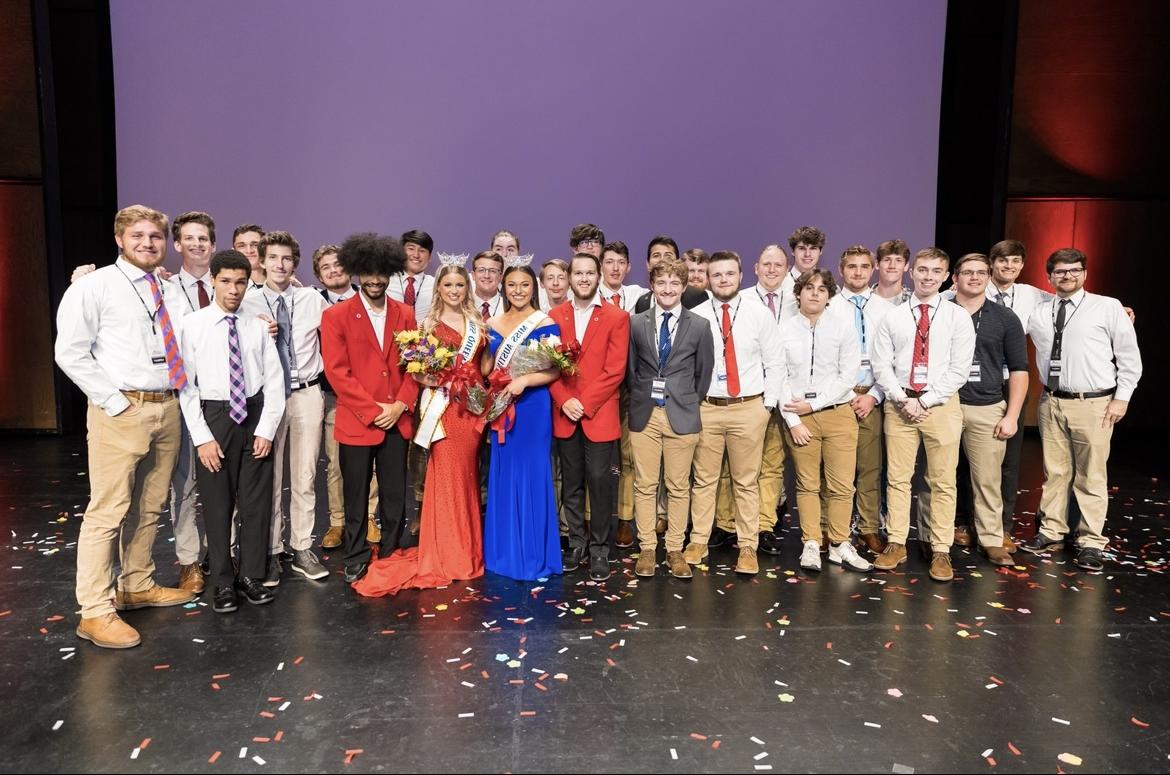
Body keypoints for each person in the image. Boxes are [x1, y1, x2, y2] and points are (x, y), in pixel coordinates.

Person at [54, 205, 196, 649]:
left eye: (155, 236)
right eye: (138, 235)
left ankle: (137, 585)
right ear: (119, 239)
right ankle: (94, 611)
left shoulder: (170, 289)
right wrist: (114, 404)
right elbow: (70, 352)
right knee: (108, 511)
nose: (148, 243)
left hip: (167, 405)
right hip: (122, 408)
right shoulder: (93, 287)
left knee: (150, 506)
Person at [354, 261, 487, 595]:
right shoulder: (425, 324)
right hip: (442, 410)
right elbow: (414, 371)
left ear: (466, 289)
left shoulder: (477, 324)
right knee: (444, 478)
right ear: (438, 289)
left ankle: (464, 549)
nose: (454, 291)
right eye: (448, 286)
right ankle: (445, 552)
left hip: (467, 411)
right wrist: (429, 377)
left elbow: (481, 368)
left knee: (467, 478)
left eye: (460, 286)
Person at [178, 250, 286, 613]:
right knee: (218, 504)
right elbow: (186, 386)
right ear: (213, 281)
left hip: (253, 413)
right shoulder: (193, 325)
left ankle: (251, 576)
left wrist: (267, 429)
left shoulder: (256, 325)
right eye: (226, 281)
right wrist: (203, 437)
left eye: (241, 282)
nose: (233, 289)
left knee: (256, 502)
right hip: (215, 416)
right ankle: (222, 580)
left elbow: (274, 380)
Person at [1021, 248, 1141, 571]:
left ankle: (1090, 541)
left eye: (1074, 270)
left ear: (1085, 274)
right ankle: (1051, 531)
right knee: (1055, 473)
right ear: (1049, 277)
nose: (1068, 276)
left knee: (1091, 475)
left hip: (1095, 403)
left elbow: (1130, 357)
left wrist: (1122, 398)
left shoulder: (1107, 307)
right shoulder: (1039, 311)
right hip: (1052, 400)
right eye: (1060, 271)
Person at [320, 233, 420, 584]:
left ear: (391, 272)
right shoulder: (336, 315)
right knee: (356, 493)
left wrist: (400, 405)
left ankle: (392, 552)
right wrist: (373, 409)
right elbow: (336, 371)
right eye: (368, 273)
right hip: (357, 421)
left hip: (396, 419)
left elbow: (416, 366)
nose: (375, 280)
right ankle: (357, 552)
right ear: (357, 272)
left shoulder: (405, 313)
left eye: (382, 273)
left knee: (395, 494)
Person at [872, 247, 976, 582]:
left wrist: (926, 401)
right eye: (922, 270)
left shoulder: (957, 317)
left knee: (942, 481)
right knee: (898, 479)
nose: (928, 276)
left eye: (935, 271)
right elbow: (881, 365)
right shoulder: (894, 316)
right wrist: (904, 400)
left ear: (946, 277)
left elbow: (959, 370)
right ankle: (896, 542)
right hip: (900, 404)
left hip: (941, 407)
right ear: (911, 272)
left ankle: (941, 548)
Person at [917, 253, 1027, 567]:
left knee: (987, 478)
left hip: (987, 406)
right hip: (942, 404)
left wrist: (1012, 415)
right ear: (955, 277)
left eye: (981, 272)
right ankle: (928, 536)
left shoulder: (1005, 318)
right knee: (934, 476)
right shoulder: (938, 312)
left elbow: (1019, 369)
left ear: (989, 277)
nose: (975, 278)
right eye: (968, 272)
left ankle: (991, 539)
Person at [239, 230, 330, 585]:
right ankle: (272, 549)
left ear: (295, 263)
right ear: (261, 260)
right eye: (273, 257)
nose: (280, 264)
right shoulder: (246, 302)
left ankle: (301, 546)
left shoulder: (311, 299)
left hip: (307, 393)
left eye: (287, 258)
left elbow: (336, 338)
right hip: (268, 397)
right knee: (270, 476)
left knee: (305, 475)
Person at [685, 250, 782, 575]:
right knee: (704, 481)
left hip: (748, 409)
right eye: (717, 275)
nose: (723, 280)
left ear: (741, 276)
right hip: (708, 408)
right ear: (708, 280)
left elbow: (775, 362)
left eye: (729, 274)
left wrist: (766, 407)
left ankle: (748, 547)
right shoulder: (695, 315)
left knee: (745, 481)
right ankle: (698, 540)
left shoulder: (758, 314)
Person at [777, 270, 872, 573]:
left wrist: (813, 404)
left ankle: (840, 544)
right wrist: (794, 420)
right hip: (798, 416)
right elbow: (777, 376)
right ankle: (811, 543)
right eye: (808, 288)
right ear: (798, 294)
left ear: (829, 295)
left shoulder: (843, 328)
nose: (815, 293)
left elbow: (848, 376)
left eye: (821, 289)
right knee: (806, 484)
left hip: (838, 414)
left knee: (842, 485)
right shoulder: (783, 329)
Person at [628, 259, 714, 578]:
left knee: (679, 486)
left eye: (674, 284)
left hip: (682, 413)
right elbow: (630, 370)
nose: (668, 289)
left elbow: (703, 373)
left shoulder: (699, 325)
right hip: (645, 414)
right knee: (645, 484)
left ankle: (675, 549)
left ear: (683, 287)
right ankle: (648, 548)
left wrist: (688, 399)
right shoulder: (636, 323)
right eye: (662, 283)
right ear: (652, 285)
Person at [549, 253, 630, 581]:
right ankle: (577, 545)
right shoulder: (553, 316)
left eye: (589, 273)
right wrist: (565, 400)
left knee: (599, 483)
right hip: (565, 413)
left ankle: (599, 549)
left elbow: (615, 371)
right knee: (571, 484)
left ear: (599, 276)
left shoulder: (616, 316)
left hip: (597, 414)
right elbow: (547, 365)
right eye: (577, 273)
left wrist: (584, 403)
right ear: (569, 277)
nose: (583, 278)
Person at [713, 244, 797, 555]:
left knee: (771, 464)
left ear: (786, 269)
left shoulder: (797, 301)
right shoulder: (740, 299)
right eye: (767, 264)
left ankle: (763, 526)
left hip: (777, 396)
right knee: (728, 465)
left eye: (778, 264)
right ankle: (725, 523)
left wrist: (770, 403)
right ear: (755, 268)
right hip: (743, 395)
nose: (772, 269)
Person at [482, 262, 562, 580]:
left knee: (532, 475)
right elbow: (487, 370)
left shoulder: (545, 322)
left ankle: (532, 553)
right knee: (504, 474)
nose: (518, 291)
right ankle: (504, 553)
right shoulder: (492, 322)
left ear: (534, 288)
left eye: (524, 285)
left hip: (532, 406)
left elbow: (555, 369)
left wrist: (525, 381)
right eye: (512, 285)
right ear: (504, 287)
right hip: (502, 403)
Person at [824, 245, 895, 554]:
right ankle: (829, 527)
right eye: (851, 266)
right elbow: (823, 359)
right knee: (833, 468)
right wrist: (846, 393)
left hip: (872, 398)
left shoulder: (886, 310)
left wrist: (874, 396)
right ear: (841, 270)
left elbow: (892, 359)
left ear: (872, 270)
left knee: (869, 468)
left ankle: (867, 528)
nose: (857, 272)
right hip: (838, 398)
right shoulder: (827, 307)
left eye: (864, 266)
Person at [312, 244, 379, 550]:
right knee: (337, 463)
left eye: (338, 264)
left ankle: (370, 518)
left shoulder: (369, 299)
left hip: (370, 396)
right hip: (332, 396)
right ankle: (339, 521)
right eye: (325, 267)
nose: (333, 270)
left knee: (372, 464)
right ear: (318, 275)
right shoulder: (311, 302)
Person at [167, 210, 217, 594]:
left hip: (224, 398)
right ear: (177, 244)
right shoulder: (164, 289)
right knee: (183, 484)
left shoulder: (233, 286)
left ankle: (224, 551)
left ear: (213, 246)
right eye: (190, 238)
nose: (197, 244)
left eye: (204, 239)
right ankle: (189, 562)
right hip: (183, 397)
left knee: (225, 479)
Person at [633, 236, 708, 313]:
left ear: (678, 262)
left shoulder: (697, 297)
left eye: (668, 256)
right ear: (648, 264)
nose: (662, 260)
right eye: (656, 255)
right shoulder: (642, 303)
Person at [389, 229, 435, 320]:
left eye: (422, 250)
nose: (416, 255)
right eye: (411, 249)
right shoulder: (386, 281)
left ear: (429, 257)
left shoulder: (436, 285)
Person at [598, 240, 646, 312]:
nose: (616, 268)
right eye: (609, 262)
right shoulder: (591, 296)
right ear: (600, 267)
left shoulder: (637, 294)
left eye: (621, 262)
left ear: (628, 267)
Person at [872, 239, 914, 306]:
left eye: (898, 260)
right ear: (877, 264)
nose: (892, 266)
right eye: (887, 260)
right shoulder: (863, 300)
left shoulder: (914, 302)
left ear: (906, 266)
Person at [472, 250, 505, 320]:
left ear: (501, 277)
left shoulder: (509, 308)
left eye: (493, 271)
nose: (486, 276)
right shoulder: (462, 307)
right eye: (481, 270)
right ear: (473, 275)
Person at [232, 224, 266, 289]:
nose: (249, 251)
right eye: (241, 246)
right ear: (233, 252)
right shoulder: (226, 289)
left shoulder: (284, 285)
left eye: (255, 245)